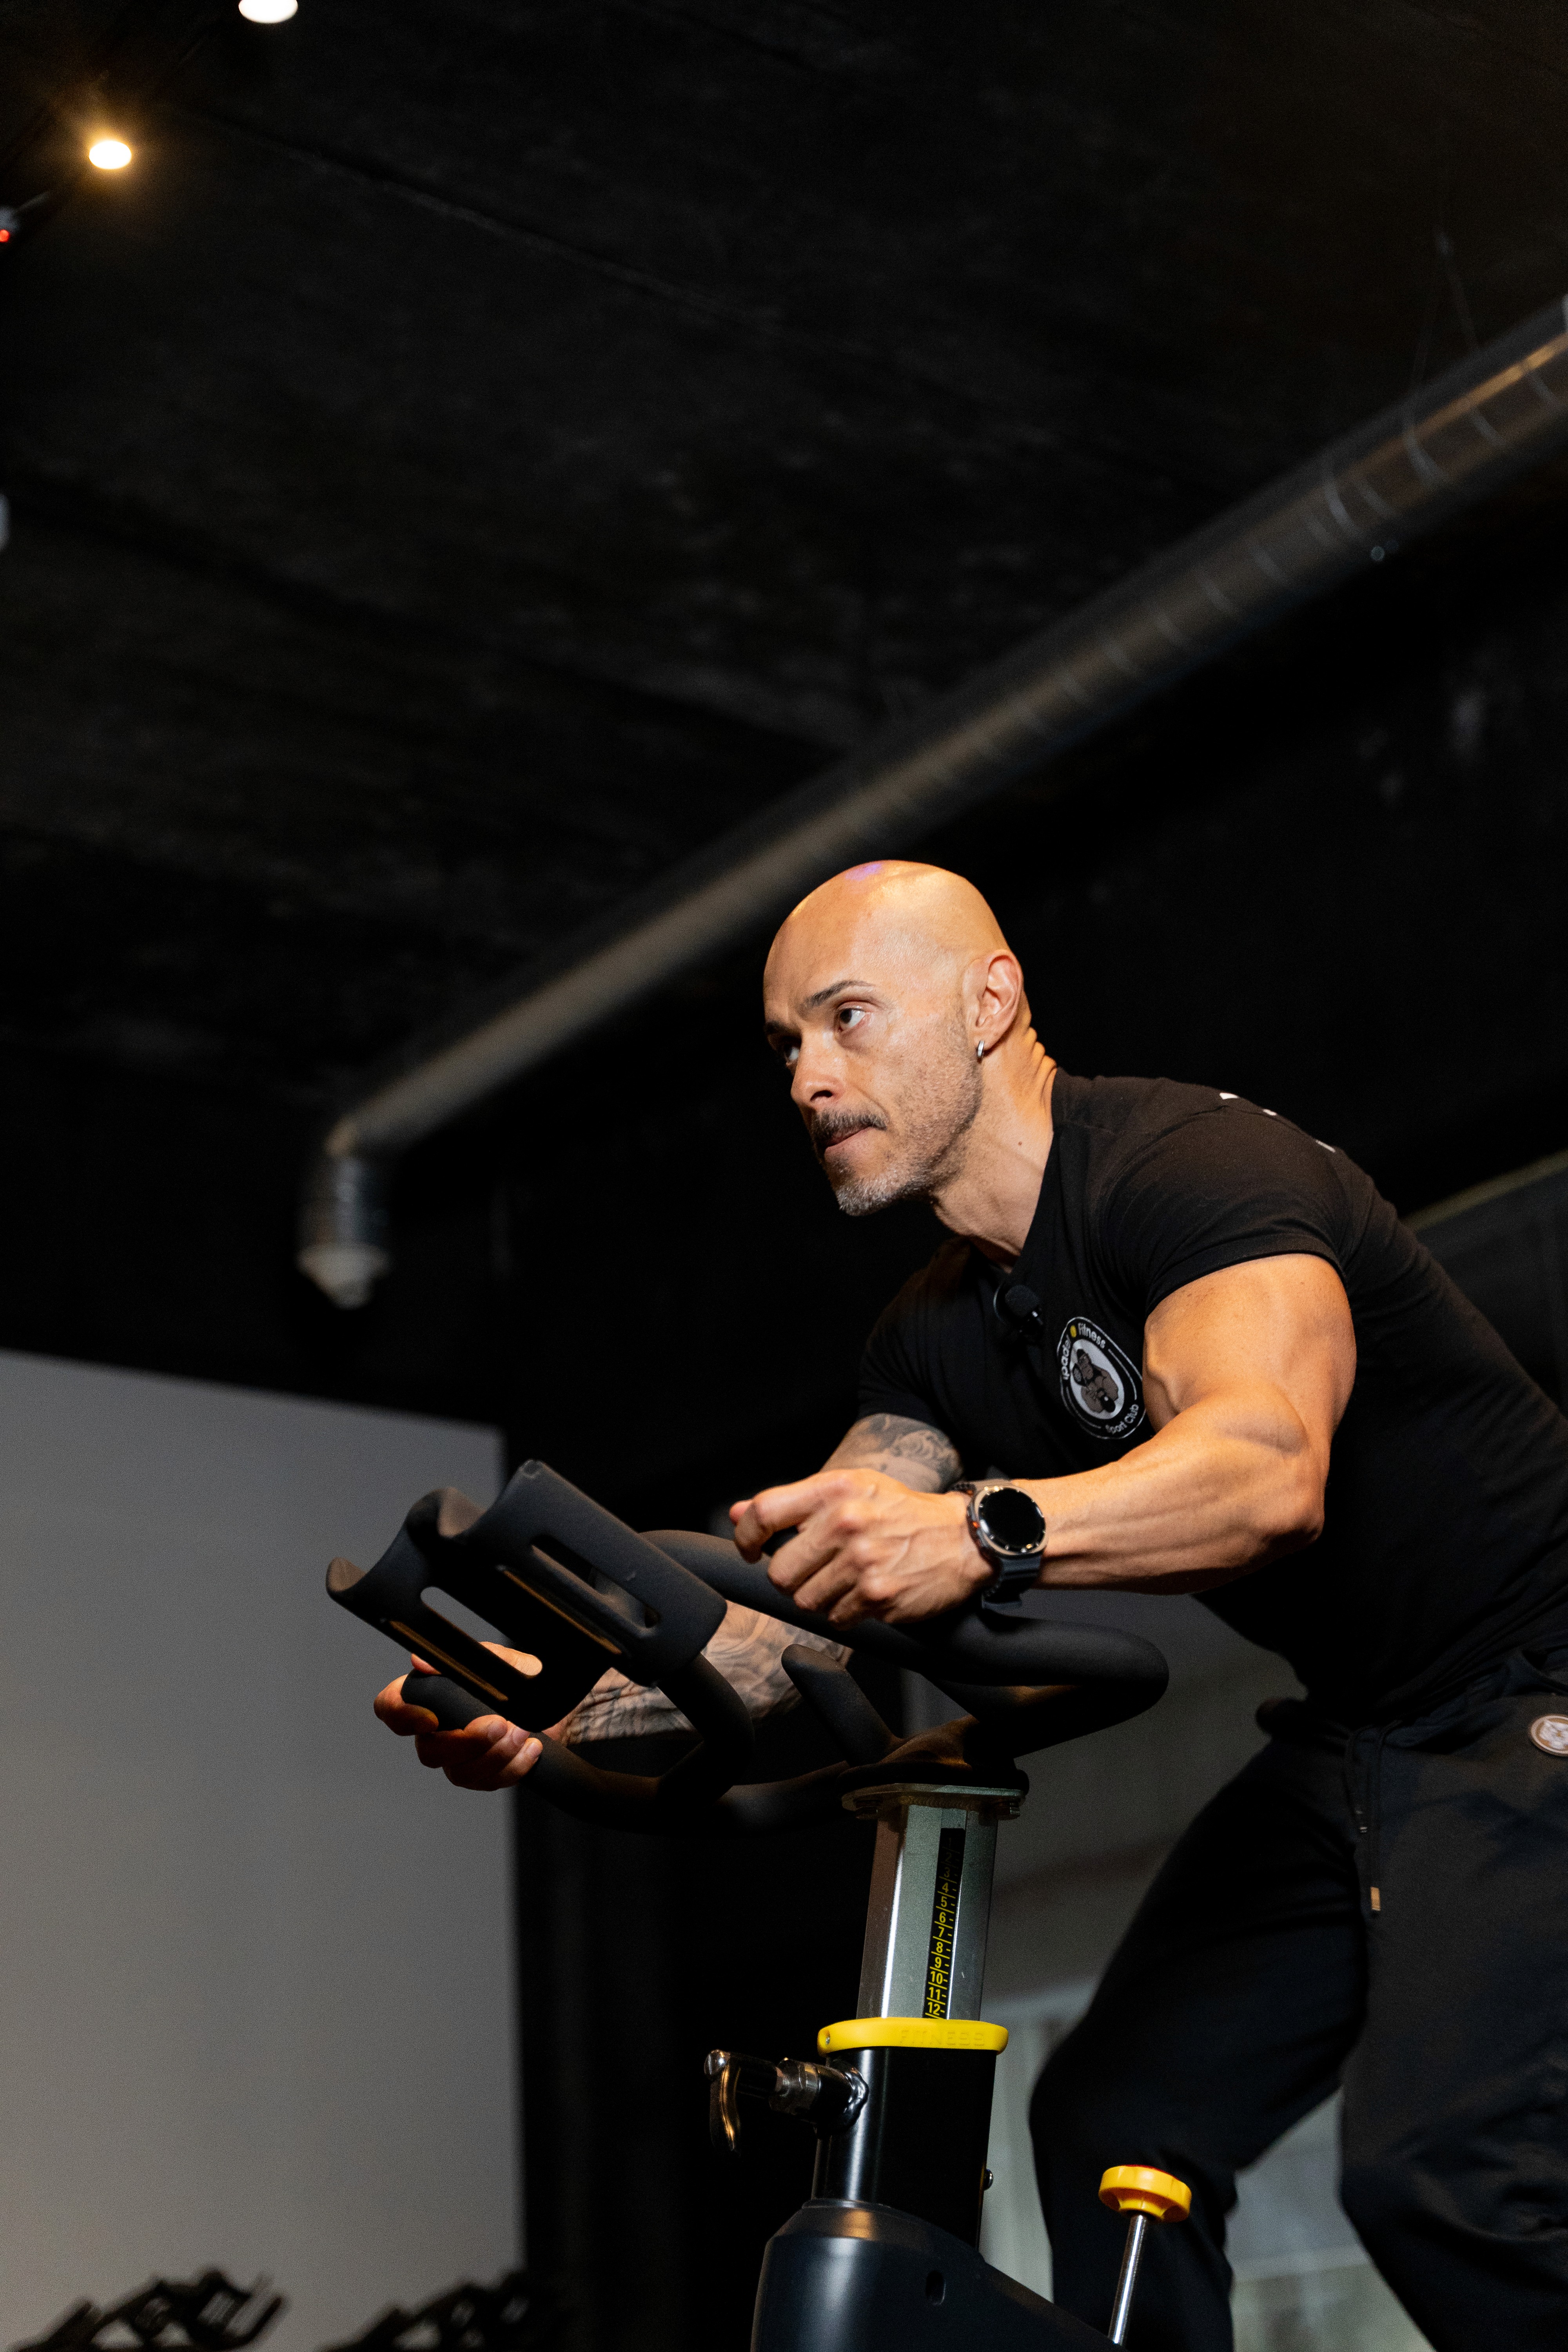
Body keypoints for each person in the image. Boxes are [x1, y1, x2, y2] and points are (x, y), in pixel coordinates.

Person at [376, 860, 1568, 2352]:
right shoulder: (931, 1335)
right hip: (1367, 1731)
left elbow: (1269, 1474)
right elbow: (791, 1624)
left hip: (1540, 1682)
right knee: (1118, 2123)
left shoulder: (1189, 1173)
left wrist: (983, 1531)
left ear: (990, 1000)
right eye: (787, 1045)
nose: (809, 1078)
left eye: (848, 1017)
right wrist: (553, 1711)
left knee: (1450, 2175)